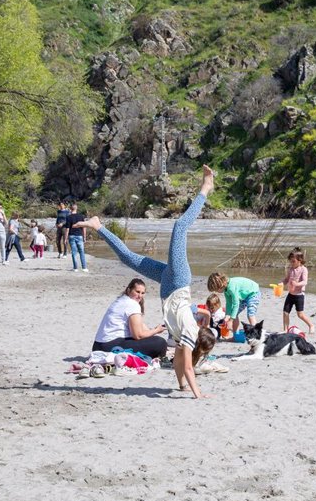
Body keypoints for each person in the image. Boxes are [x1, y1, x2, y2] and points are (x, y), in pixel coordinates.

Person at [75, 165, 214, 399]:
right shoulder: (189, 330)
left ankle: (98, 225)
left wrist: (183, 387)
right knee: (179, 227)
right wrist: (197, 394)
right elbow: (188, 365)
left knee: (129, 259)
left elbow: (182, 364)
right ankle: (206, 188)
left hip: (167, 284)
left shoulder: (184, 336)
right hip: (178, 281)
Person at [91, 278, 170, 360]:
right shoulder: (132, 304)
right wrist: (156, 330)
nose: (140, 296)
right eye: (137, 292)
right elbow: (138, 335)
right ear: (129, 290)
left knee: (152, 340)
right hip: (109, 347)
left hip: (97, 346)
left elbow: (141, 327)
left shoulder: (120, 300)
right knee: (160, 343)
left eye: (142, 293)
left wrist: (155, 330)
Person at [281, 247, 315, 334]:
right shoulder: (291, 269)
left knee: (300, 314)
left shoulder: (303, 269)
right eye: (290, 261)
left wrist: (297, 284)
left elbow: (305, 282)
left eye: (293, 261)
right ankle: (286, 330)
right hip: (290, 294)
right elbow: (287, 279)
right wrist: (282, 283)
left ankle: (311, 325)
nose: (291, 263)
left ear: (300, 260)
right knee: (285, 312)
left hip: (299, 295)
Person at [67, 200, 88, 273]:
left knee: (74, 252)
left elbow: (67, 229)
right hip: (79, 235)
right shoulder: (81, 216)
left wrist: (65, 238)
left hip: (71, 235)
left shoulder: (68, 217)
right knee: (82, 251)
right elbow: (84, 227)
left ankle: (75, 268)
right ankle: (84, 267)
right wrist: (84, 237)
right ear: (77, 208)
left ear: (70, 208)